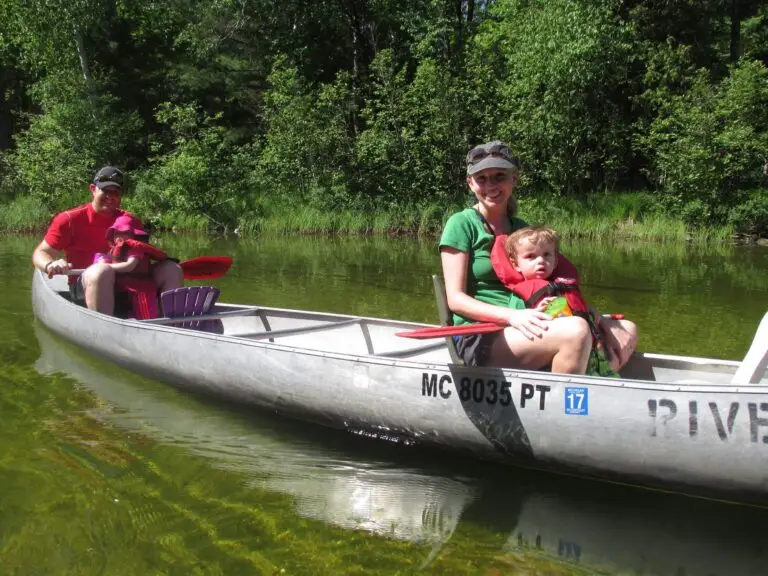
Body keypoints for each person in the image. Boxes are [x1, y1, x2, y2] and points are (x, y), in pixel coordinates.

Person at [439, 140, 637, 373]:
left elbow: (547, 285)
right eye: (482, 178)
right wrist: (513, 316)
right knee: (576, 331)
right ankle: (567, 402)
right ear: (470, 183)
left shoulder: (523, 231)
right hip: (482, 334)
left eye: (499, 176)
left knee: (626, 329)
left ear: (514, 178)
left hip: (530, 321)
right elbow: (455, 300)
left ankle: (588, 379)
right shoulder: (461, 224)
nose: (491, 185)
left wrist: (588, 312)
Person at [32, 165, 183, 315]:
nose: (110, 197)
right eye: (105, 190)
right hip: (86, 285)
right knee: (102, 270)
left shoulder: (130, 221)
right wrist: (51, 264)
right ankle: (102, 329)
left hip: (127, 286)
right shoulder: (69, 220)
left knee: (172, 269)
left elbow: (139, 261)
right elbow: (41, 252)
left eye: (115, 193)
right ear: (93, 189)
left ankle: (171, 324)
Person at [496, 225, 619, 376]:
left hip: (590, 350)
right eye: (531, 257)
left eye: (546, 255)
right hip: (552, 351)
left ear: (555, 262)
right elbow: (517, 321)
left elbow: (578, 308)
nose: (540, 260)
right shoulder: (519, 296)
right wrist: (535, 312)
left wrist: (591, 312)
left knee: (628, 332)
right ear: (516, 265)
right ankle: (565, 395)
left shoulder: (562, 285)